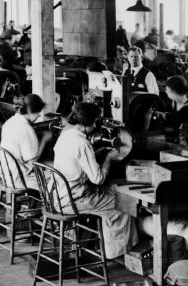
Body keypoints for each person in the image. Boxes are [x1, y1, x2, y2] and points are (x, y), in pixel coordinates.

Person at [51, 102, 138, 259]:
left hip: (59, 196)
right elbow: (98, 179)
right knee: (125, 203)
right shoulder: (83, 144)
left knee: (111, 193)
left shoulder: (65, 136)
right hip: (76, 200)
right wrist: (109, 159)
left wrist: (96, 154)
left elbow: (76, 163)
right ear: (90, 123)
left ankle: (101, 245)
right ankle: (116, 253)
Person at [0, 94, 50, 190]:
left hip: (5, 174)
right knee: (57, 177)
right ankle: (50, 204)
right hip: (19, 179)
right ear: (29, 111)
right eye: (38, 112)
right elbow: (33, 162)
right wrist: (44, 140)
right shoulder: (26, 128)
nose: (39, 115)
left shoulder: (9, 122)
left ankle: (34, 203)